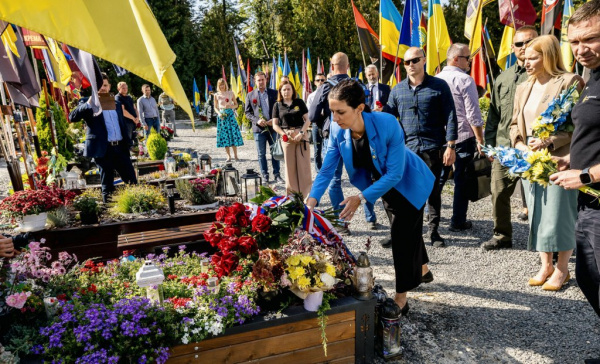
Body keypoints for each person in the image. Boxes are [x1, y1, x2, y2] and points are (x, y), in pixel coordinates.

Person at [306, 79, 435, 314]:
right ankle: (423, 269)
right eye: (332, 111)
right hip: (383, 189)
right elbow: (326, 169)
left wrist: (360, 198)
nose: (335, 118)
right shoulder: (337, 129)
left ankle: (401, 299)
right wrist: (311, 200)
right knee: (409, 231)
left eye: (340, 112)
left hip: (410, 185)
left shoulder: (387, 123)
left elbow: (395, 173)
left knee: (401, 238)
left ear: (359, 108)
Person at [510, 35, 584, 291]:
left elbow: (579, 127)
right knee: (538, 212)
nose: (526, 62)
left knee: (559, 214)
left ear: (549, 56)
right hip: (529, 159)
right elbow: (513, 126)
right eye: (525, 57)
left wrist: (549, 141)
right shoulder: (523, 86)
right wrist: (519, 146)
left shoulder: (569, 82)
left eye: (533, 57)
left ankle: (563, 269)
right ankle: (545, 266)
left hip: (559, 158)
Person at [551, 0, 600, 319]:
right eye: (574, 42)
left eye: (591, 38)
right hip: (588, 202)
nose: (581, 49)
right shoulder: (593, 76)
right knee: (587, 276)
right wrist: (571, 159)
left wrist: (586, 176)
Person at [385, 46, 458, 247]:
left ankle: (433, 233)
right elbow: (388, 117)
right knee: (401, 192)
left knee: (432, 192)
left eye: (414, 60)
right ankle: (400, 231)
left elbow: (451, 116)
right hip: (406, 150)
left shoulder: (439, 86)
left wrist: (451, 145)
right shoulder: (397, 90)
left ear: (424, 60)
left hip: (432, 148)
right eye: (406, 62)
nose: (410, 65)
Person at [309, 52, 379, 232]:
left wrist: (328, 120)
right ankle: (370, 217)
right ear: (347, 67)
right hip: (358, 136)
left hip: (334, 136)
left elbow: (312, 115)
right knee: (364, 174)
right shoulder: (358, 85)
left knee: (334, 178)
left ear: (331, 67)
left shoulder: (325, 87)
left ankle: (341, 223)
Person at [483, 25, 539, 250]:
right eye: (519, 43)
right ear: (512, 48)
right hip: (504, 147)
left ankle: (542, 242)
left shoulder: (545, 76)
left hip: (534, 148)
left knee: (537, 198)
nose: (524, 47)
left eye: (529, 42)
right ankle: (502, 236)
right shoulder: (502, 78)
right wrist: (489, 146)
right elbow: (494, 114)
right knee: (498, 193)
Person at [436, 43, 484, 232]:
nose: (470, 62)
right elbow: (473, 114)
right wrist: (480, 140)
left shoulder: (435, 78)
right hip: (462, 136)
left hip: (441, 137)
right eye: (467, 58)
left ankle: (432, 220)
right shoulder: (465, 80)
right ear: (455, 59)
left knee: (438, 180)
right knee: (461, 180)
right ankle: (457, 221)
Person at [70, 73, 137, 203]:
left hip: (120, 147)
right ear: (94, 87)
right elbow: (72, 117)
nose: (102, 88)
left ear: (109, 86)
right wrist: (90, 102)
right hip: (103, 150)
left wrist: (128, 142)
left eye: (105, 85)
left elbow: (120, 123)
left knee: (132, 181)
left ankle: (136, 208)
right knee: (108, 185)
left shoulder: (116, 102)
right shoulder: (87, 102)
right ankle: (109, 214)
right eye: (99, 86)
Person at [272, 81, 312, 197]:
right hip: (286, 136)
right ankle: (292, 197)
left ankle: (307, 196)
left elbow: (308, 120)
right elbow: (275, 124)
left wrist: (301, 133)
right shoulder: (277, 105)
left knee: (304, 166)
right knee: (290, 168)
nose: (286, 92)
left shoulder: (299, 102)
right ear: (280, 91)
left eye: (288, 89)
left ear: (293, 90)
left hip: (301, 135)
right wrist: (283, 134)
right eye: (284, 89)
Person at [245, 71, 283, 184]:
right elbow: (247, 113)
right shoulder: (250, 95)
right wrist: (257, 121)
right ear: (255, 82)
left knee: (275, 152)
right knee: (261, 154)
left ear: (266, 80)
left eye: (262, 79)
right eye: (258, 80)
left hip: (273, 128)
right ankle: (265, 175)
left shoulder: (274, 93)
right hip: (259, 129)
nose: (261, 82)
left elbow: (280, 109)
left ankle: (277, 175)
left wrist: (275, 120)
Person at [214, 78, 243, 162]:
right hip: (222, 117)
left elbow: (236, 105)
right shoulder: (216, 95)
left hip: (230, 115)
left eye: (223, 84)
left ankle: (236, 156)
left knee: (233, 134)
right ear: (218, 86)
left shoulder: (230, 93)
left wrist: (230, 106)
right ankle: (228, 156)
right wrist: (219, 113)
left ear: (225, 85)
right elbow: (215, 107)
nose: (222, 86)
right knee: (225, 136)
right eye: (220, 85)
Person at [306, 73, 327, 173]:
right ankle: (319, 170)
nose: (320, 82)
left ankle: (327, 169)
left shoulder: (329, 94)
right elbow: (309, 112)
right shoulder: (311, 96)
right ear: (314, 82)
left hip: (327, 123)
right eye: (318, 80)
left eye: (322, 80)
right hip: (316, 124)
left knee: (327, 148)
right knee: (317, 148)